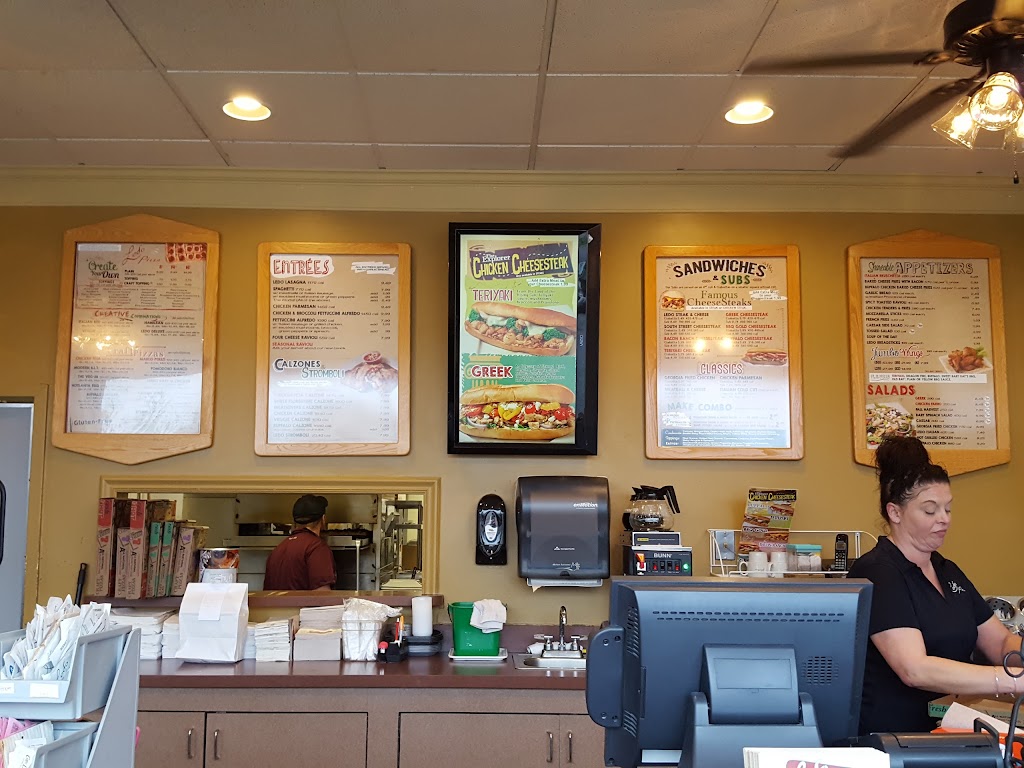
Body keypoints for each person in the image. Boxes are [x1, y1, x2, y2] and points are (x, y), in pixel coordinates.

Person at [848, 436, 1023, 734]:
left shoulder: (947, 571)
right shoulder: (878, 572)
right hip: (894, 739)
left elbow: (1000, 644)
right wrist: (1011, 680)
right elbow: (914, 669)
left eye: (948, 509)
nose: (944, 520)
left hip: (948, 730)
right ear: (895, 512)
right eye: (930, 511)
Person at [263, 494, 337, 591]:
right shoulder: (317, 547)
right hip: (303, 602)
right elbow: (322, 594)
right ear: (323, 519)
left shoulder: (278, 549)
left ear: (295, 521)